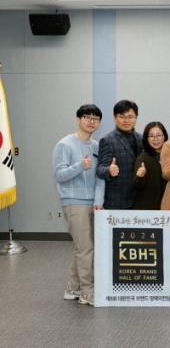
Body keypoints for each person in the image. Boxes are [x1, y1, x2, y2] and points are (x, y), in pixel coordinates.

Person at [52, 104, 105, 307]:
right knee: (85, 248)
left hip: (93, 203)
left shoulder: (97, 146)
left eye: (95, 118)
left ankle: (72, 288)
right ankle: (87, 292)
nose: (91, 121)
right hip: (74, 202)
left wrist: (98, 201)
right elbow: (59, 175)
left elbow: (100, 177)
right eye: (87, 117)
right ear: (78, 119)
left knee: (81, 248)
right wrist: (80, 166)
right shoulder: (64, 145)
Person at [96, 100, 143, 209]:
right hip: (117, 201)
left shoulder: (142, 139)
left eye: (130, 117)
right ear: (115, 118)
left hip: (139, 200)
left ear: (136, 118)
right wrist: (109, 170)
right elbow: (100, 170)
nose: (126, 120)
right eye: (122, 117)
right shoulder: (107, 140)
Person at [132, 121, 168, 210]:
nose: (155, 139)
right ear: (146, 139)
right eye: (151, 136)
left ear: (164, 137)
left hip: (167, 207)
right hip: (147, 210)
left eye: (159, 135)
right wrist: (139, 176)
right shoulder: (143, 158)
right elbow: (136, 185)